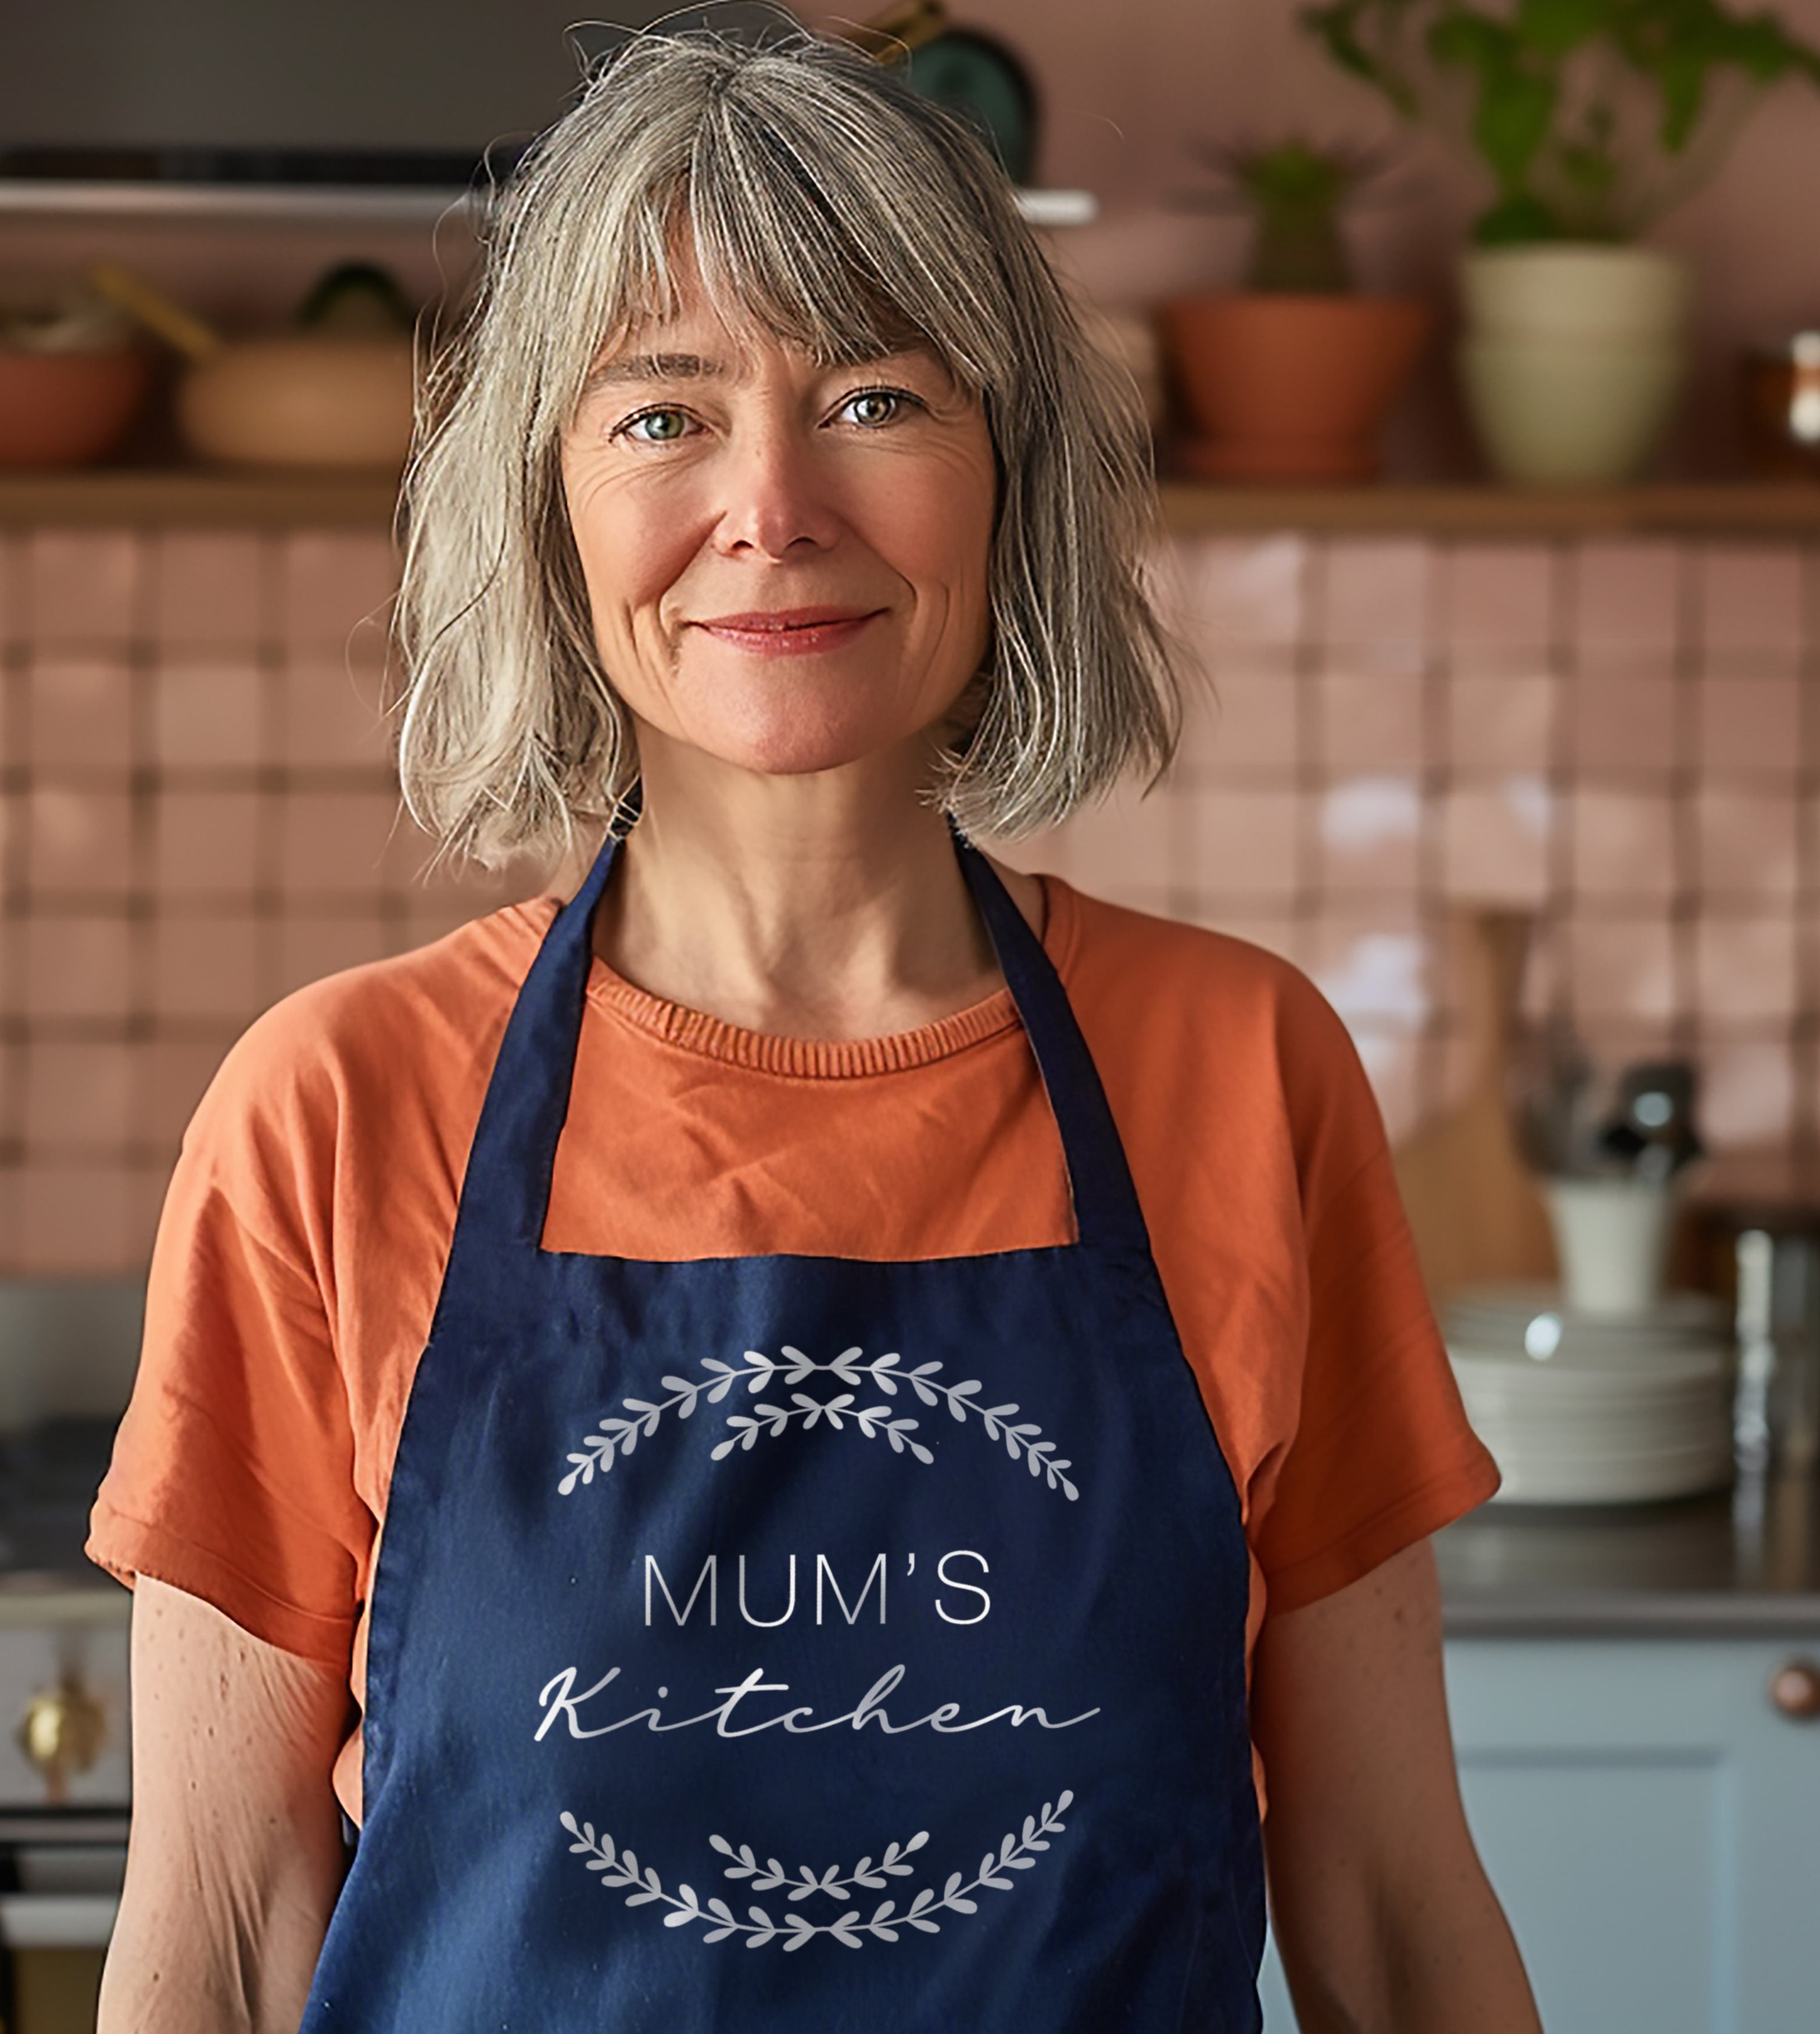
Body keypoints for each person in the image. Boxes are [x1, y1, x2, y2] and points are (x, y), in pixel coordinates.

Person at [91, 24, 1542, 2033]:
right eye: (661, 414)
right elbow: (228, 1923)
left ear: (1005, 476)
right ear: (549, 511)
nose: (770, 506)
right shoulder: (332, 1112)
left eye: (874, 396)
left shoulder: (1239, 1068)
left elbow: (1387, 1902)